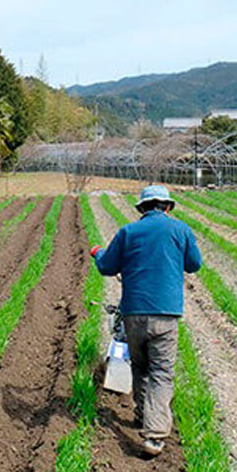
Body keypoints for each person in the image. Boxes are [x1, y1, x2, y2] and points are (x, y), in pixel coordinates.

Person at [90, 185, 202, 456]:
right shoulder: (181, 230)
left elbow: (107, 266)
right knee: (162, 372)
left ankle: (142, 413)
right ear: (168, 207)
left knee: (139, 365)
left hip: (133, 313)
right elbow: (194, 264)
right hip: (166, 314)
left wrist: (97, 252)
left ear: (142, 208)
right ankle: (154, 436)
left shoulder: (128, 232)